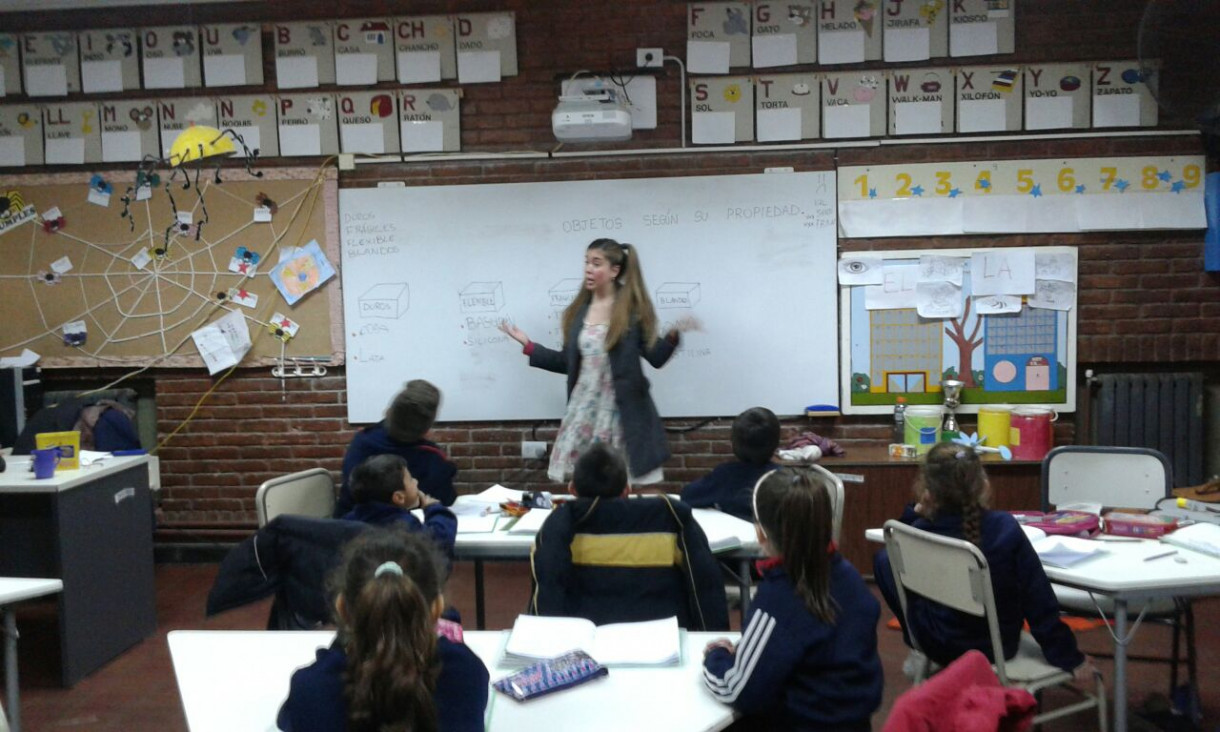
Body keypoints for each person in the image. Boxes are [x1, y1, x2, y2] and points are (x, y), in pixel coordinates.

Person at [873, 441, 1096, 682]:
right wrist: (1069, 656)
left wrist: (915, 511)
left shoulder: (918, 530)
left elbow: (894, 549)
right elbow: (1039, 602)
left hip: (934, 643)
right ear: (983, 484)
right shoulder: (1004, 528)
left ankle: (916, 646)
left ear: (927, 490)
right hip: (994, 648)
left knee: (885, 560)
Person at [499, 238, 698, 484]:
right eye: (586, 262)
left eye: (596, 263)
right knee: (585, 484)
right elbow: (567, 363)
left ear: (614, 271)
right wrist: (529, 346)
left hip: (620, 413)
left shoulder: (631, 312)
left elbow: (656, 358)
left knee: (625, 484)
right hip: (584, 411)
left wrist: (673, 335)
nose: (588, 269)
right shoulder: (578, 313)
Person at [702, 467, 883, 730]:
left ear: (761, 534)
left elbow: (738, 691)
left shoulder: (778, 598)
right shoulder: (850, 578)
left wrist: (715, 656)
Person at [277, 528, 488, 732]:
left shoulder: (312, 687)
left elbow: (291, 719)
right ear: (437, 609)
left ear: (342, 608)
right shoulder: (465, 672)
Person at [528, 442, 729, 631]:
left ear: (572, 490)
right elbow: (706, 586)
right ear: (627, 490)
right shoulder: (671, 516)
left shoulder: (559, 525)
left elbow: (547, 596)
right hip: (664, 641)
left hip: (585, 649)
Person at [338, 379, 457, 515]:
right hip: (408, 531)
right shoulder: (433, 460)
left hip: (348, 526)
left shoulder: (361, 442)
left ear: (389, 412)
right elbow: (447, 503)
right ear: (426, 429)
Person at [342, 454, 457, 559]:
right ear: (399, 498)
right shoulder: (405, 525)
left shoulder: (348, 522)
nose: (416, 482)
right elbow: (440, 541)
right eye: (411, 480)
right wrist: (434, 508)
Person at [681, 406, 781, 521]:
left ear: (734, 445)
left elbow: (687, 496)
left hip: (737, 538)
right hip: (776, 538)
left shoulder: (725, 475)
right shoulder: (784, 477)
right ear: (776, 443)